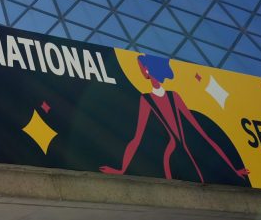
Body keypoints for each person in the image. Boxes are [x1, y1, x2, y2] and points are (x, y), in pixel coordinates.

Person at [99, 54, 250, 182]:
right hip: (170, 157)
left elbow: (203, 134)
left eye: (142, 67)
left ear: (148, 70)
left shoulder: (173, 96)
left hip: (186, 153)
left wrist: (234, 170)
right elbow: (137, 138)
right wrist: (121, 169)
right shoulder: (147, 99)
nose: (142, 70)